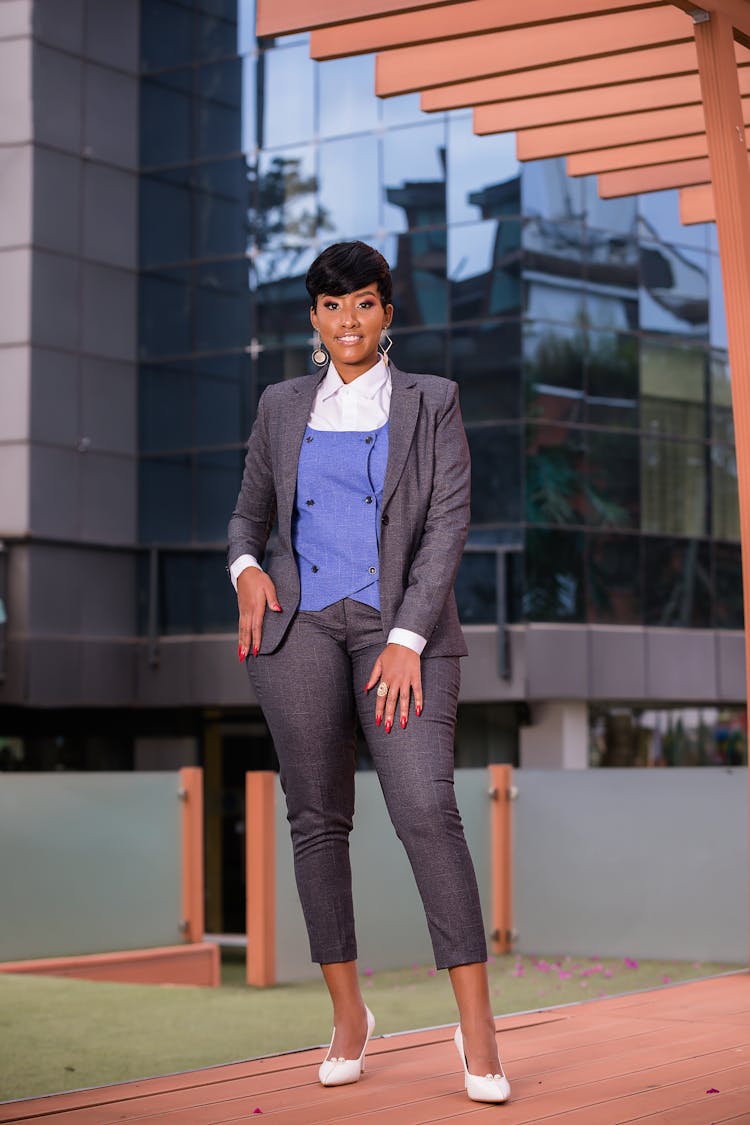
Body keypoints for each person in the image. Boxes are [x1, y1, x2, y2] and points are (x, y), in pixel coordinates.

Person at [228, 240, 510, 1104]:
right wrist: (247, 573)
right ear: (312, 317)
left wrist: (408, 636)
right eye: (329, 305)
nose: (346, 321)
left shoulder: (435, 402)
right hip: (296, 630)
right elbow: (249, 516)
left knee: (426, 807)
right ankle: (350, 1014)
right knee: (317, 818)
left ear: (388, 312)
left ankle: (478, 1028)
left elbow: (448, 527)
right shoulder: (281, 405)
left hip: (400, 635)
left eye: (362, 303)